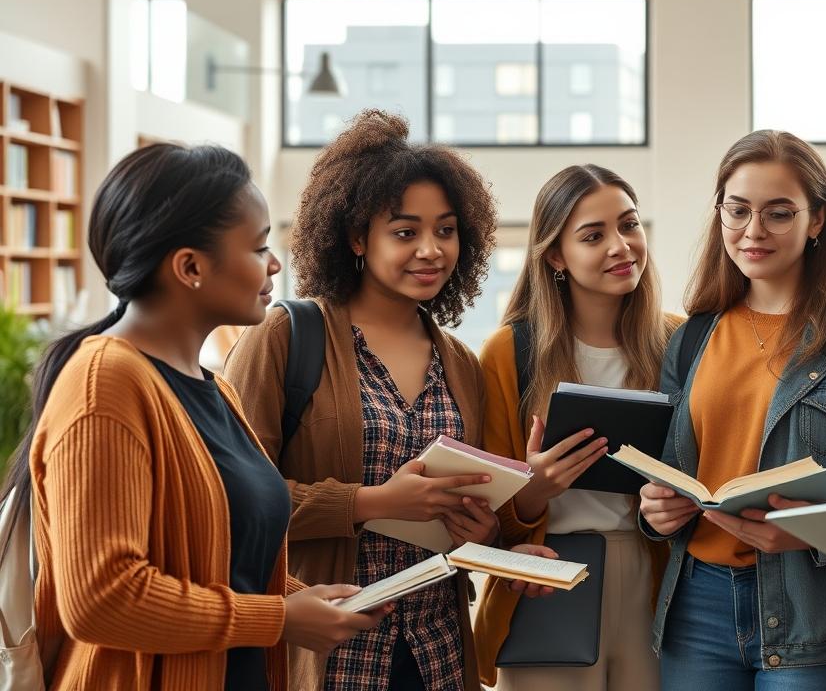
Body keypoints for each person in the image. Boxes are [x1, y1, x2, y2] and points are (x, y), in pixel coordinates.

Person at [2, 143, 387, 690]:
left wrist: (303, 600)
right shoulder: (106, 385)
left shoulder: (214, 390)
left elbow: (222, 566)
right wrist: (279, 618)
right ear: (190, 267)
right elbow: (101, 599)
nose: (275, 264)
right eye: (258, 248)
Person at [223, 110, 546, 691]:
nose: (431, 250)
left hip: (437, 651)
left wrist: (491, 540)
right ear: (355, 237)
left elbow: (468, 517)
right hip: (332, 652)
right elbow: (233, 503)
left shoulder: (461, 362)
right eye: (405, 232)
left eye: (445, 230)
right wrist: (372, 502)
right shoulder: (287, 337)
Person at [638, 130, 826, 691]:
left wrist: (814, 531)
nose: (753, 231)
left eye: (778, 214)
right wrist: (654, 511)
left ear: (817, 220)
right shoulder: (693, 335)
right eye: (738, 210)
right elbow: (668, 469)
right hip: (696, 603)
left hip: (812, 606)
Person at [473, 164, 678, 690]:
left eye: (629, 225)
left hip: (656, 577)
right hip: (547, 577)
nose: (621, 246)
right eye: (593, 235)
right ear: (555, 256)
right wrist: (531, 493)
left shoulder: (679, 342)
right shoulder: (509, 352)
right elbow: (482, 508)